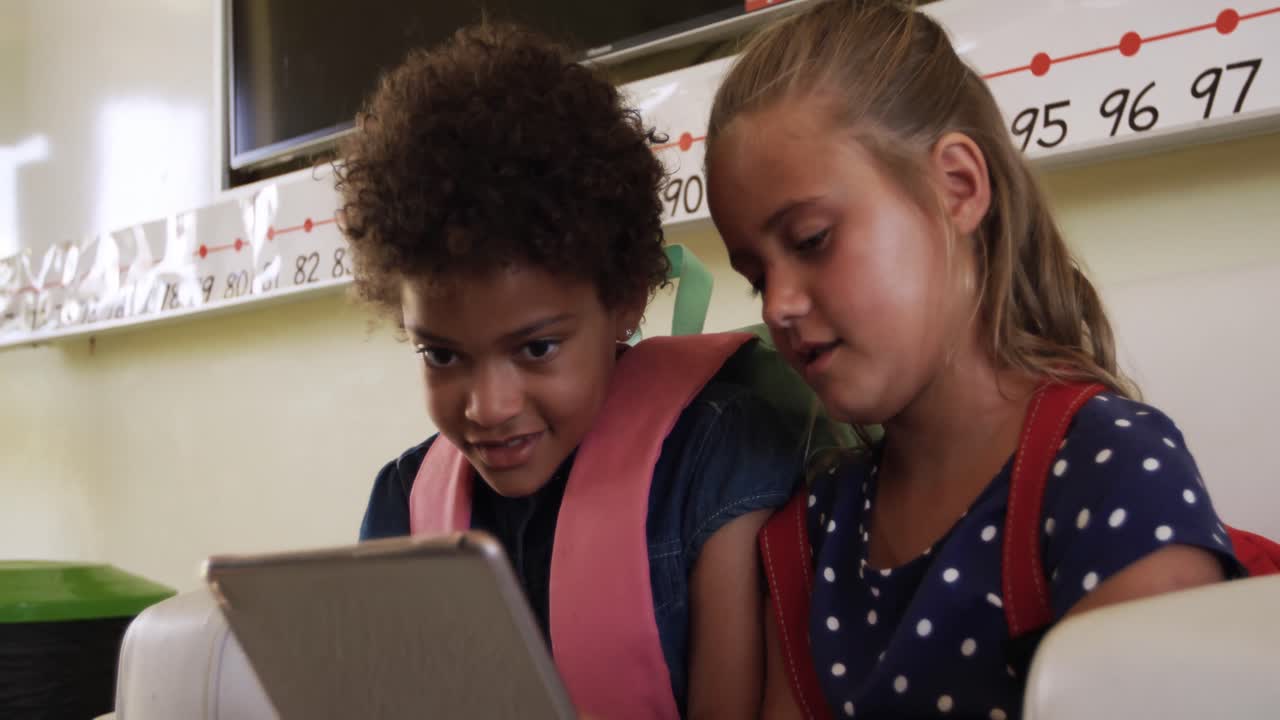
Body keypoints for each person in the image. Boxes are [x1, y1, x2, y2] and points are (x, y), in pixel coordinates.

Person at [703, 2, 1243, 717]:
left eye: (810, 240)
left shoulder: (1109, 472)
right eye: (754, 276)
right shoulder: (812, 531)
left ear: (957, 186)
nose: (777, 305)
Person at [335, 23, 804, 719]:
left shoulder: (716, 460)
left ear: (624, 302)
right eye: (442, 355)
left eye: (536, 349)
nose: (489, 408)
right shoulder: (402, 505)